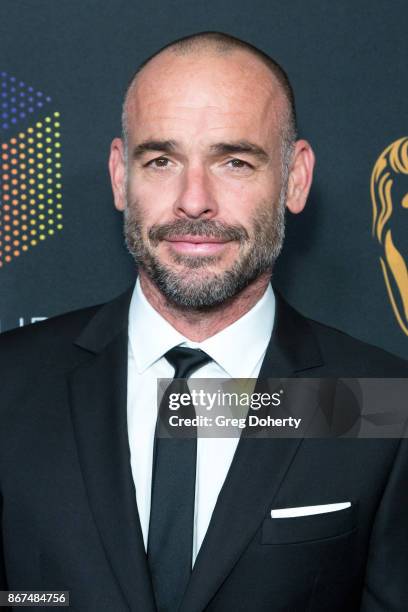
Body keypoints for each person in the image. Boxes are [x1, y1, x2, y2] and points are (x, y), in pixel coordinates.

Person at [0, 31, 407, 612]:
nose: (194, 201)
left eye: (235, 161)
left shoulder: (381, 403)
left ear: (295, 179)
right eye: (161, 160)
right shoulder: (9, 383)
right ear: (120, 176)